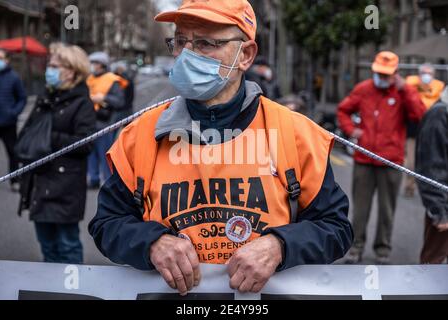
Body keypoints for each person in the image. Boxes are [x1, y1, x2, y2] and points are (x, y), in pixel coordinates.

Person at [89, 0, 353, 296]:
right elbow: (107, 224)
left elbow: (336, 229)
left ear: (246, 55)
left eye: (205, 43)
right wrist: (151, 242)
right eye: (180, 41)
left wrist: (280, 245)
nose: (186, 54)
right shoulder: (139, 135)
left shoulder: (295, 133)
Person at [338, 51, 427, 264]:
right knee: (360, 208)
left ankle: (382, 249)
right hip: (364, 159)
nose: (382, 77)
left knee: (387, 210)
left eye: (386, 74)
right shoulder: (364, 89)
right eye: (379, 73)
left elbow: (420, 115)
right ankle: (356, 247)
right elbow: (343, 110)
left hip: (391, 160)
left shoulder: (404, 92)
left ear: (396, 74)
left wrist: (405, 89)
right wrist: (352, 130)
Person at [18, 43, 96, 264]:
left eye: (54, 66)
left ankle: (71, 292)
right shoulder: (46, 98)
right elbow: (28, 132)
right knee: (47, 246)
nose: (48, 70)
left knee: (67, 246)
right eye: (49, 65)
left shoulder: (82, 103)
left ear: (71, 70)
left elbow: (86, 144)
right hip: (39, 182)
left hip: (64, 187)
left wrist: (50, 137)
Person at [415, 88, 448, 264]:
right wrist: (439, 211)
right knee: (433, 265)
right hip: (445, 204)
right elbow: (430, 166)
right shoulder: (439, 115)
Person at [86, 52, 127, 188]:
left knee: (105, 154)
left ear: (102, 65)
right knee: (90, 154)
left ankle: (108, 183)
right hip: (89, 122)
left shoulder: (112, 80)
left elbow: (120, 101)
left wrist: (103, 99)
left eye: (94, 63)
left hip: (105, 124)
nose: (92, 66)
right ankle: (93, 179)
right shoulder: (89, 79)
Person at [404, 64, 445, 197]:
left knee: (429, 163)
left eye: (429, 73)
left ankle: (426, 189)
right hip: (413, 131)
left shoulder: (439, 89)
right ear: (419, 74)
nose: (426, 76)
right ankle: (409, 187)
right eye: (423, 73)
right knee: (411, 163)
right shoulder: (411, 86)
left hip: (431, 132)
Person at [0, 48, 27, 192]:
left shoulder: (14, 77)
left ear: (7, 60)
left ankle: (15, 180)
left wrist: (13, 113)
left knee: (12, 152)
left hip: (8, 123)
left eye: (0, 57)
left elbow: (22, 98)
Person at [113, 62, 135, 140]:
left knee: (116, 130)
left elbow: (129, 95)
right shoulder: (126, 78)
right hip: (125, 108)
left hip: (123, 109)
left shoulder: (120, 78)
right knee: (127, 131)